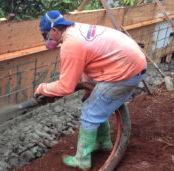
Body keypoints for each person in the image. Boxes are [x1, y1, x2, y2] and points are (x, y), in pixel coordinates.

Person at [35, 10, 147, 170]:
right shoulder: (75, 29)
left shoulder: (70, 45)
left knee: (90, 113)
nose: (46, 40)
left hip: (126, 73)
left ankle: (82, 160)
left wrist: (42, 89)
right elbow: (88, 61)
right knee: (95, 105)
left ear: (54, 30)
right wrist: (88, 90)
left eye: (45, 35)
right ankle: (102, 143)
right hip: (130, 64)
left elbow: (66, 86)